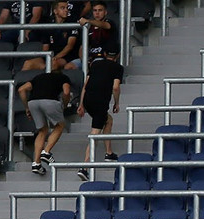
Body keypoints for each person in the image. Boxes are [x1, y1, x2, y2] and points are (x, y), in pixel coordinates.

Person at [75, 45, 125, 180]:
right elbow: (115, 87)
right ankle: (84, 167)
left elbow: (85, 85)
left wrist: (81, 104)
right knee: (95, 134)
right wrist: (116, 103)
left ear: (104, 53)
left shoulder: (96, 65)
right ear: (118, 55)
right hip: (100, 102)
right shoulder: (118, 68)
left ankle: (109, 153)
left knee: (108, 120)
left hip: (88, 100)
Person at [18, 62, 72, 175]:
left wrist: (26, 107)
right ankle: (46, 152)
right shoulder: (63, 77)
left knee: (42, 130)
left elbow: (21, 89)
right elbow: (66, 92)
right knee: (59, 126)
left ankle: (36, 163)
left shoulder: (39, 77)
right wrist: (65, 105)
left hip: (33, 102)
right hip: (50, 101)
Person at [21, 0, 80, 72]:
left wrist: (55, 57)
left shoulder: (72, 23)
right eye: (62, 8)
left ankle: (44, 81)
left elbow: (69, 46)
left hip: (66, 57)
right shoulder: (49, 25)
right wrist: (46, 58)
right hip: (50, 56)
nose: (66, 10)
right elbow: (45, 47)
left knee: (53, 64)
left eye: (67, 8)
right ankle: (23, 83)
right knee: (28, 63)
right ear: (55, 11)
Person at [77, 1, 118, 65]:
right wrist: (84, 61)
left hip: (104, 58)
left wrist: (88, 21)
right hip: (90, 58)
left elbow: (106, 25)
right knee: (69, 66)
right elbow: (82, 47)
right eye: (95, 10)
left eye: (100, 10)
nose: (97, 13)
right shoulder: (89, 27)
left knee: (96, 64)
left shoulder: (109, 22)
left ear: (105, 12)